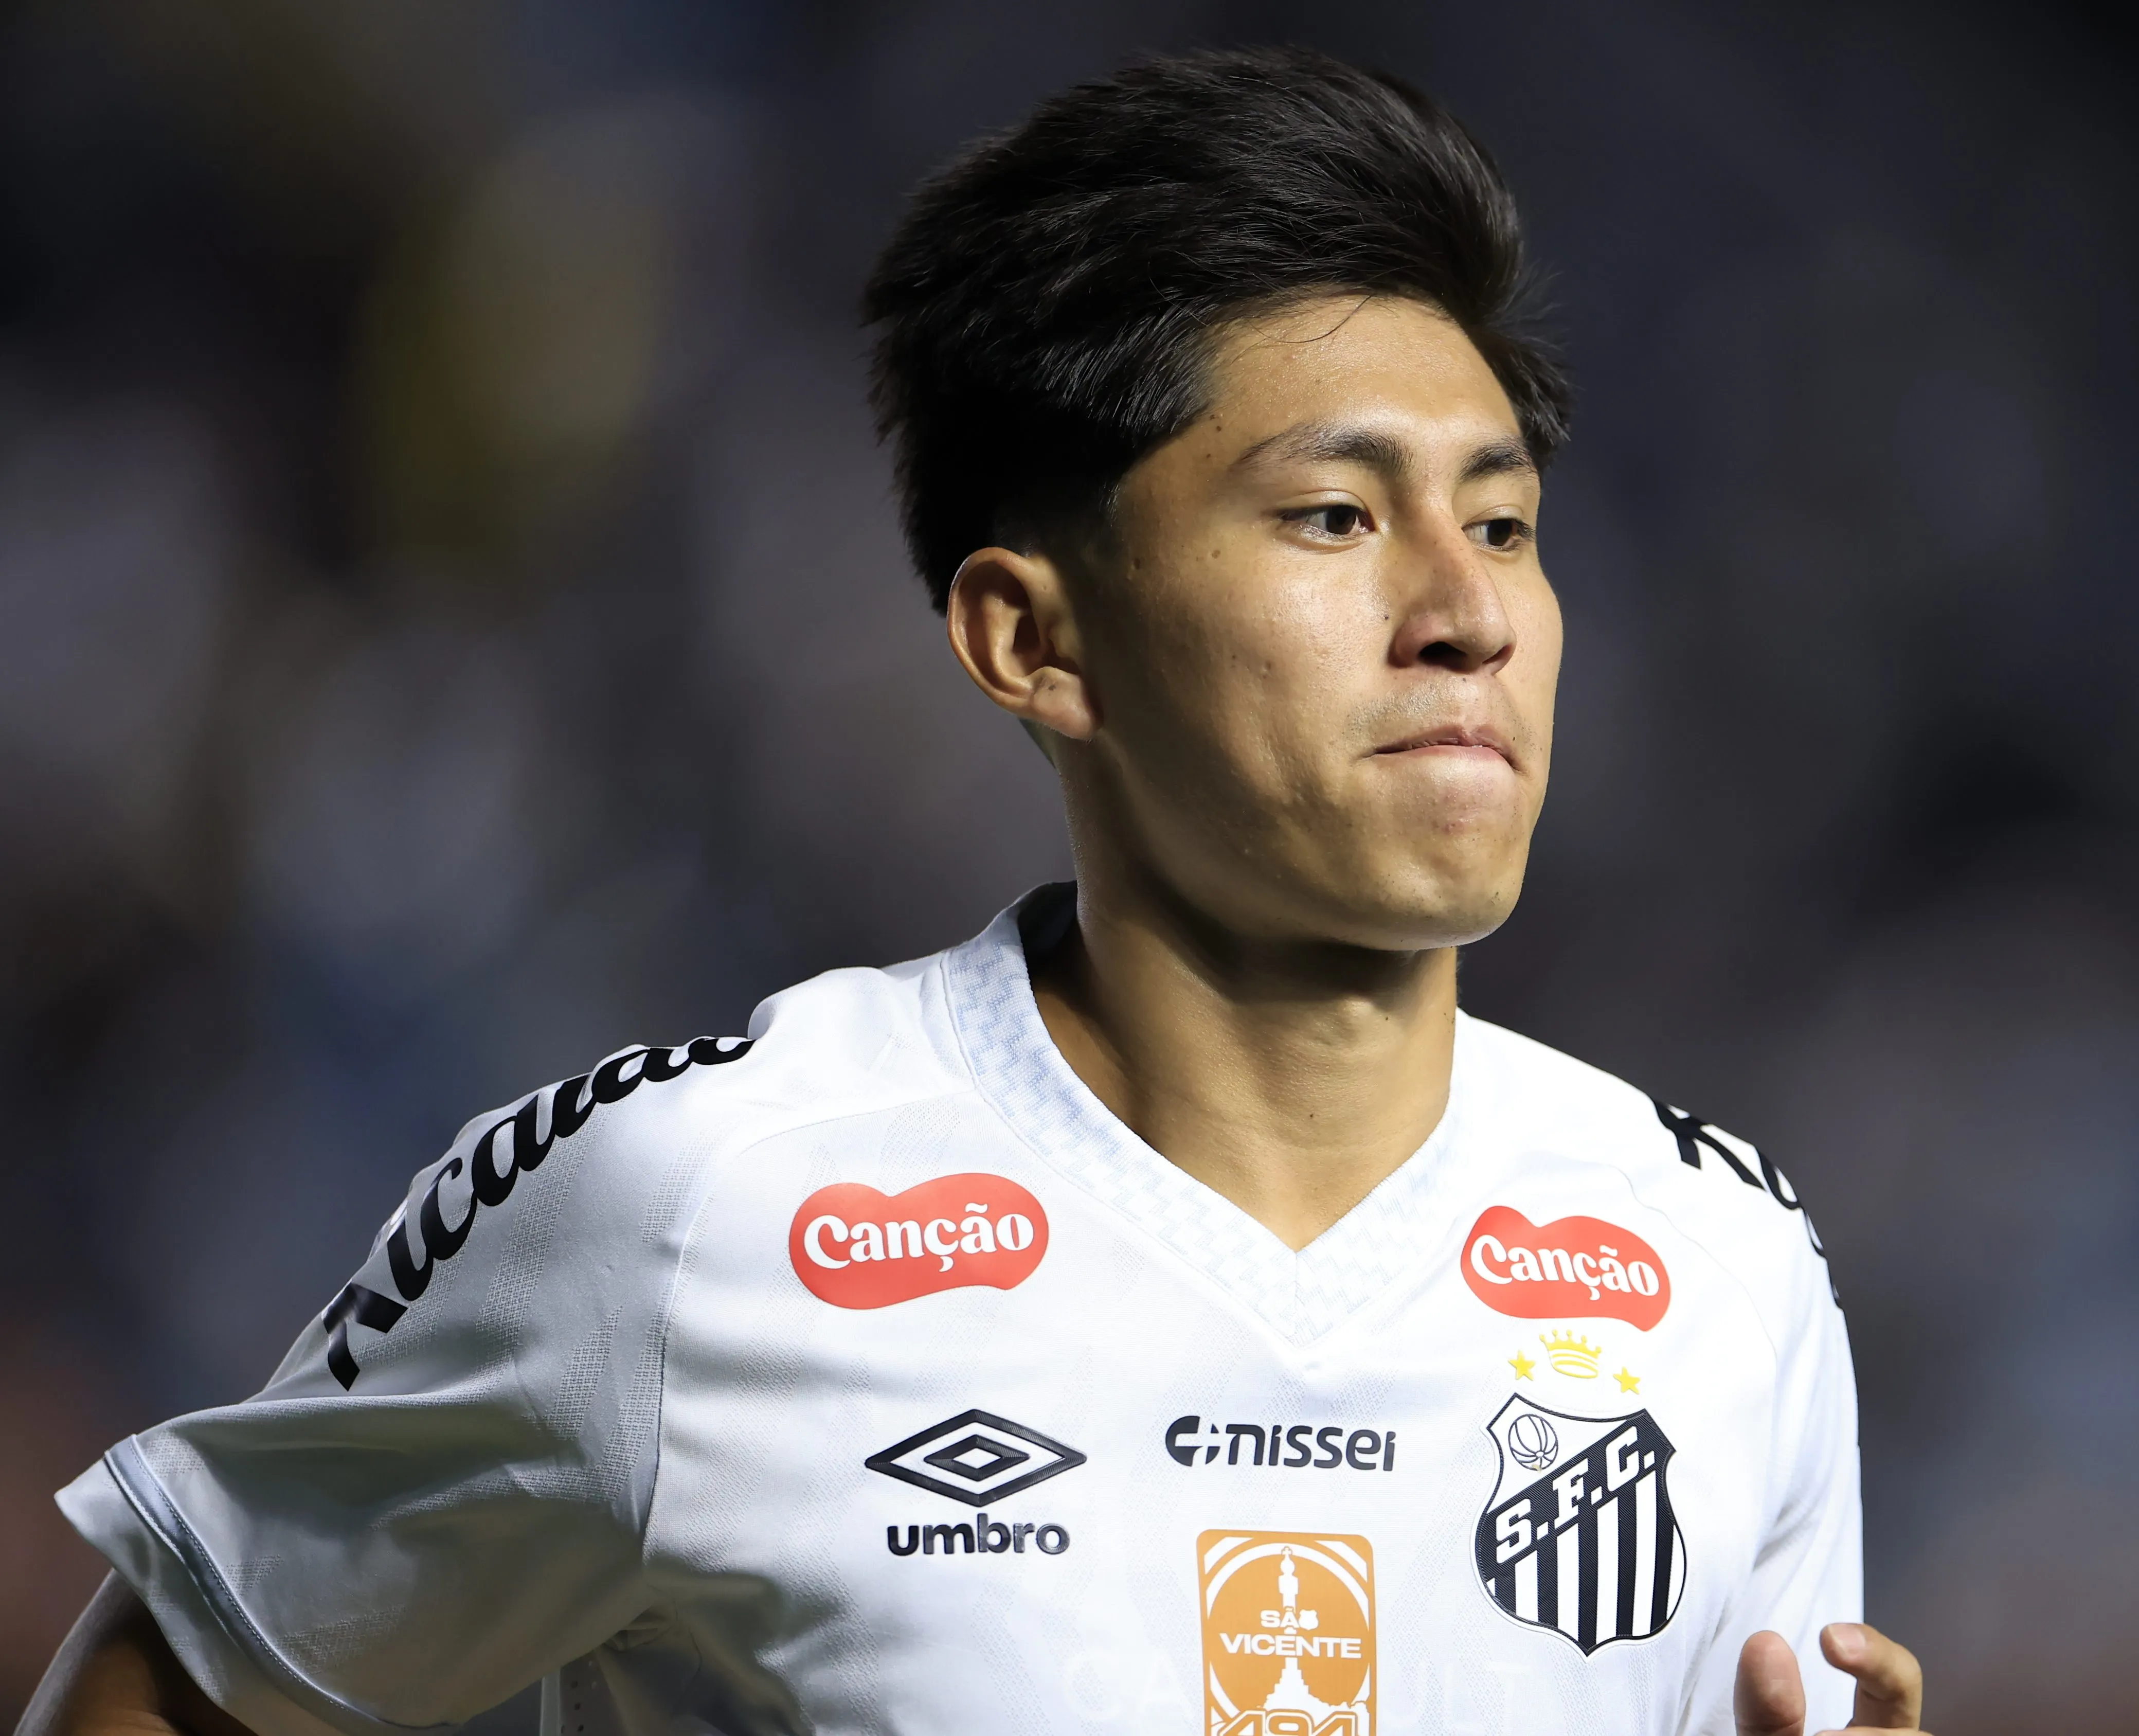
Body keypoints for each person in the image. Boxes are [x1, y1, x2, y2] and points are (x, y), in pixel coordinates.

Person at [22, 47, 1928, 1736]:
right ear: (1034, 636)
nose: (1468, 613)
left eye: (1504, 522)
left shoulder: (1719, 1268)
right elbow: (178, 1680)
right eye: (1337, 516)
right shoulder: (690, 1214)